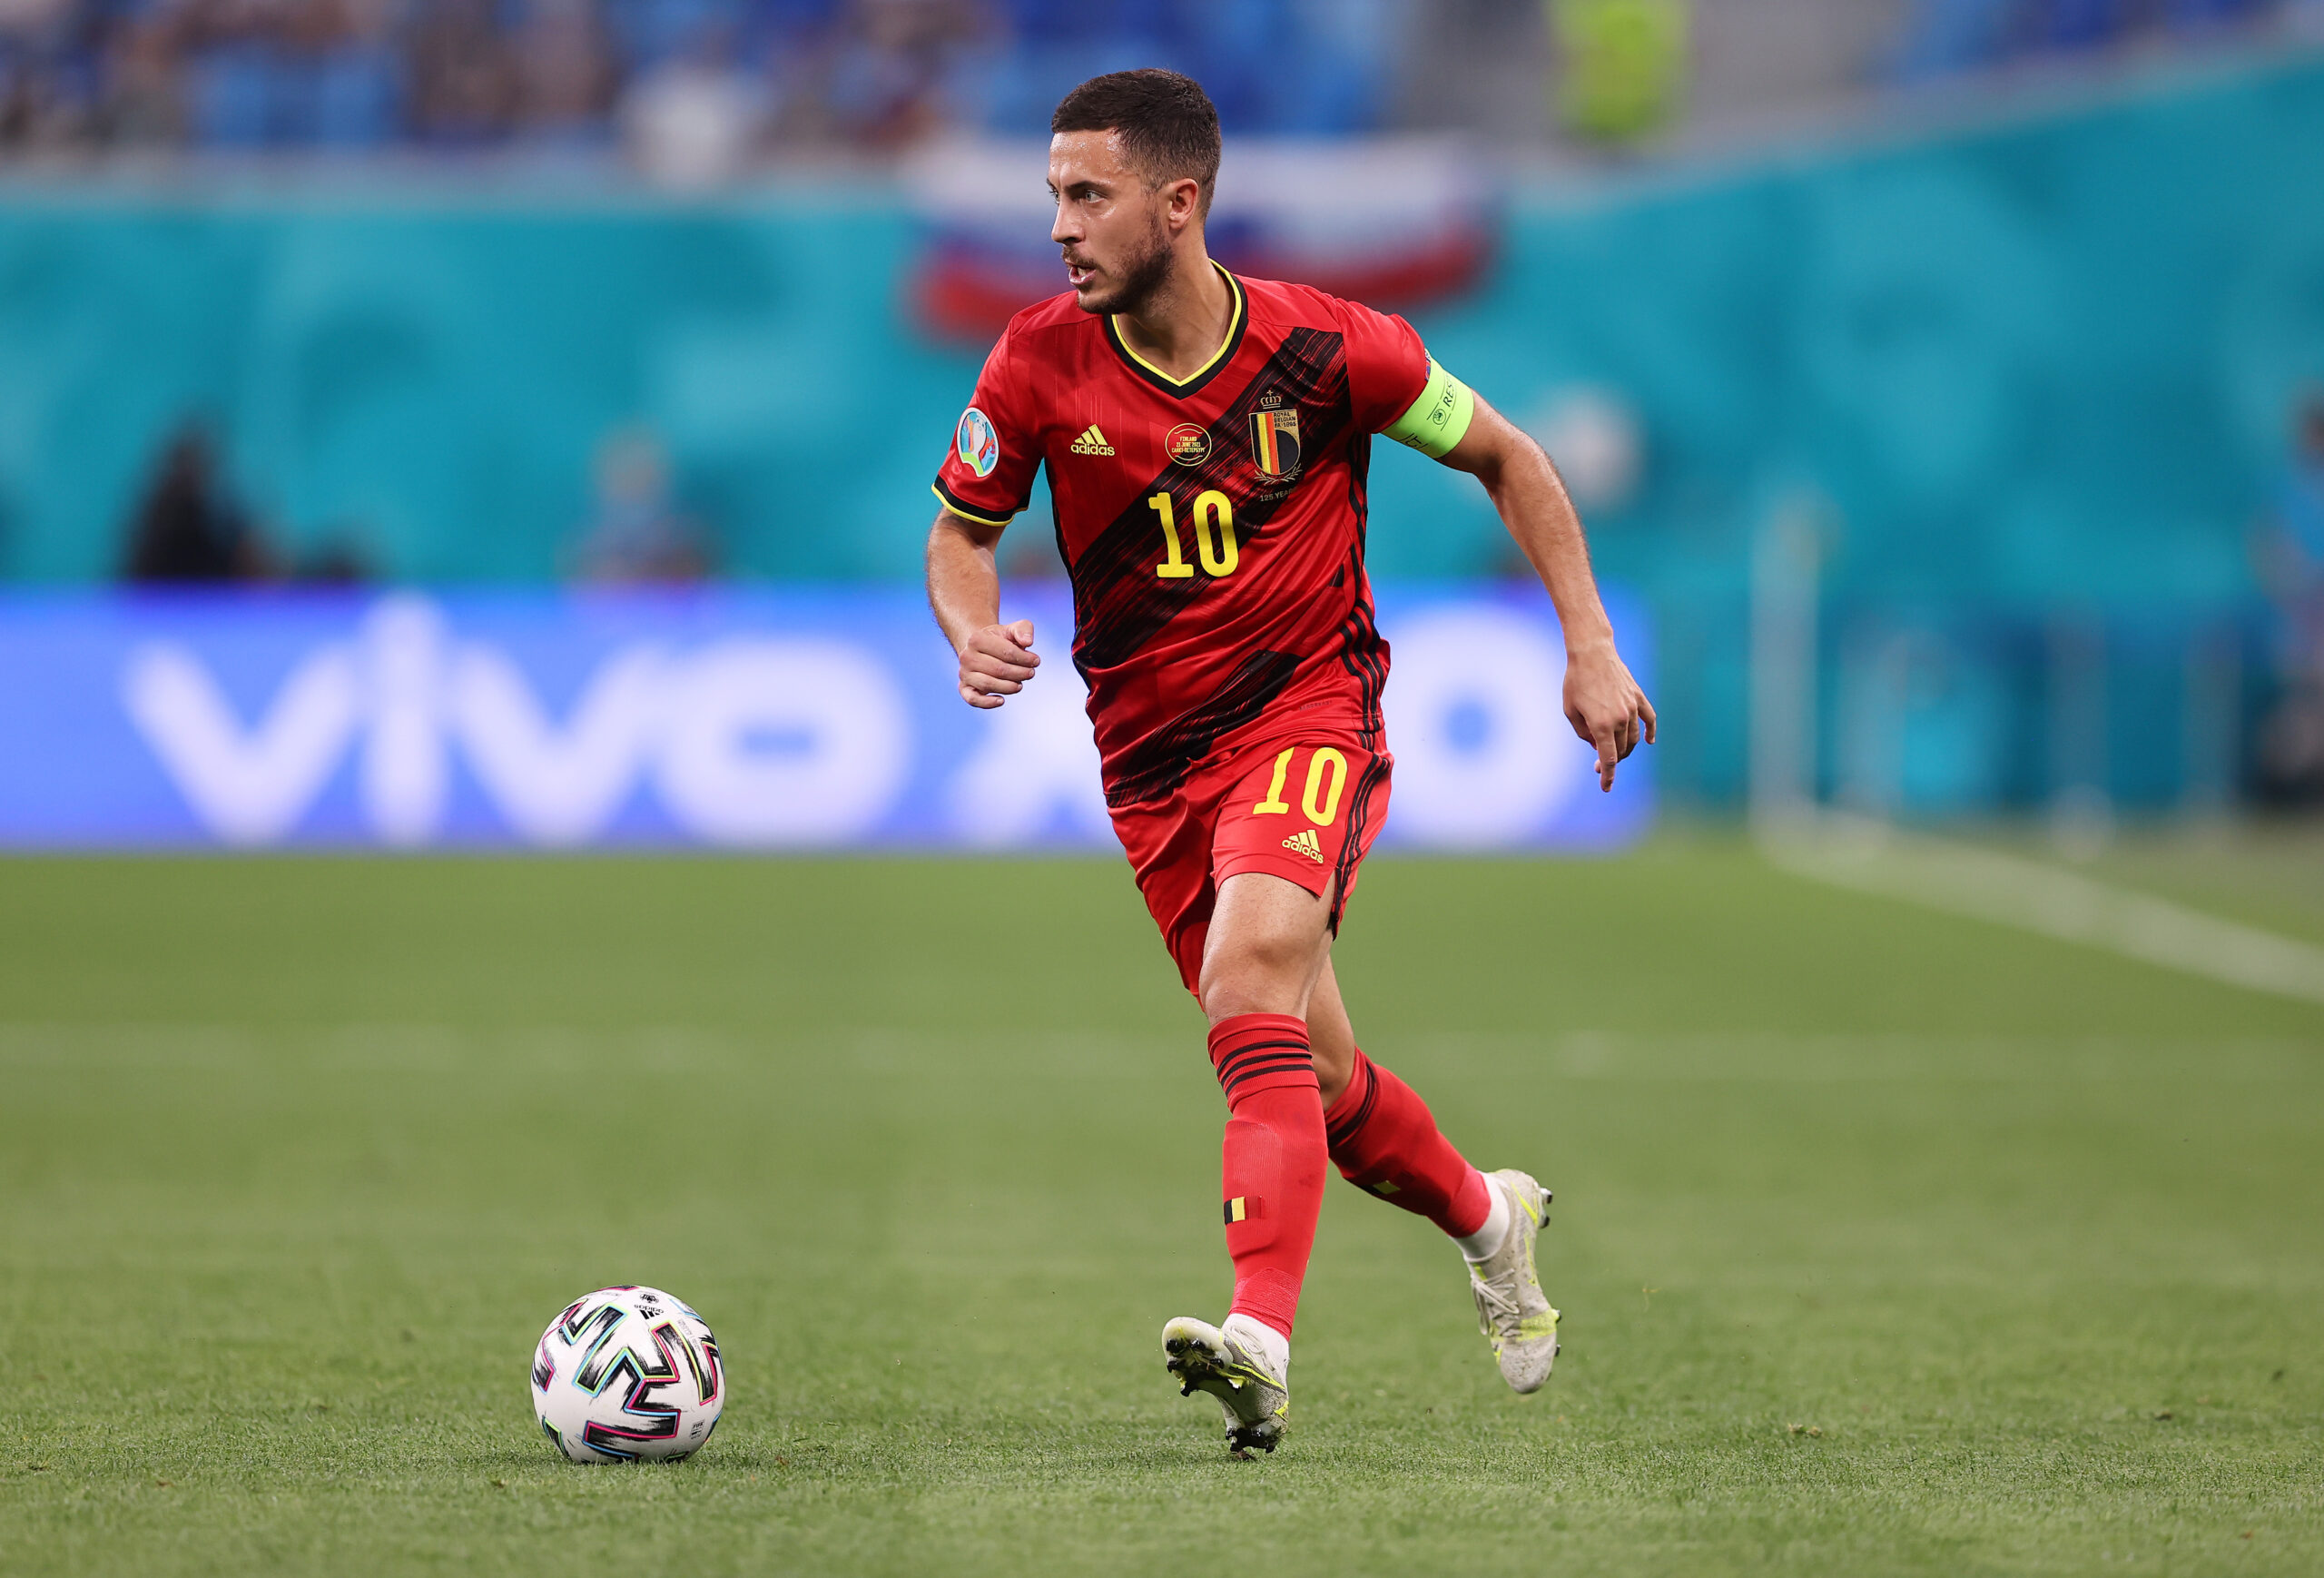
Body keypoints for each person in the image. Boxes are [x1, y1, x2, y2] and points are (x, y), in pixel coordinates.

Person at [923, 69, 1653, 1457]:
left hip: (1310, 711)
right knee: (1314, 1077)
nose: (1061, 225)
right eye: (1054, 196)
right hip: (1151, 764)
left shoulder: (1329, 348)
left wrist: (1590, 644)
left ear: (1178, 202)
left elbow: (1508, 455)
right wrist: (971, 628)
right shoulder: (1035, 361)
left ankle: (1257, 1335)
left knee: (1247, 972)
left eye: (1088, 195)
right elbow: (962, 531)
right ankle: (1491, 1216)